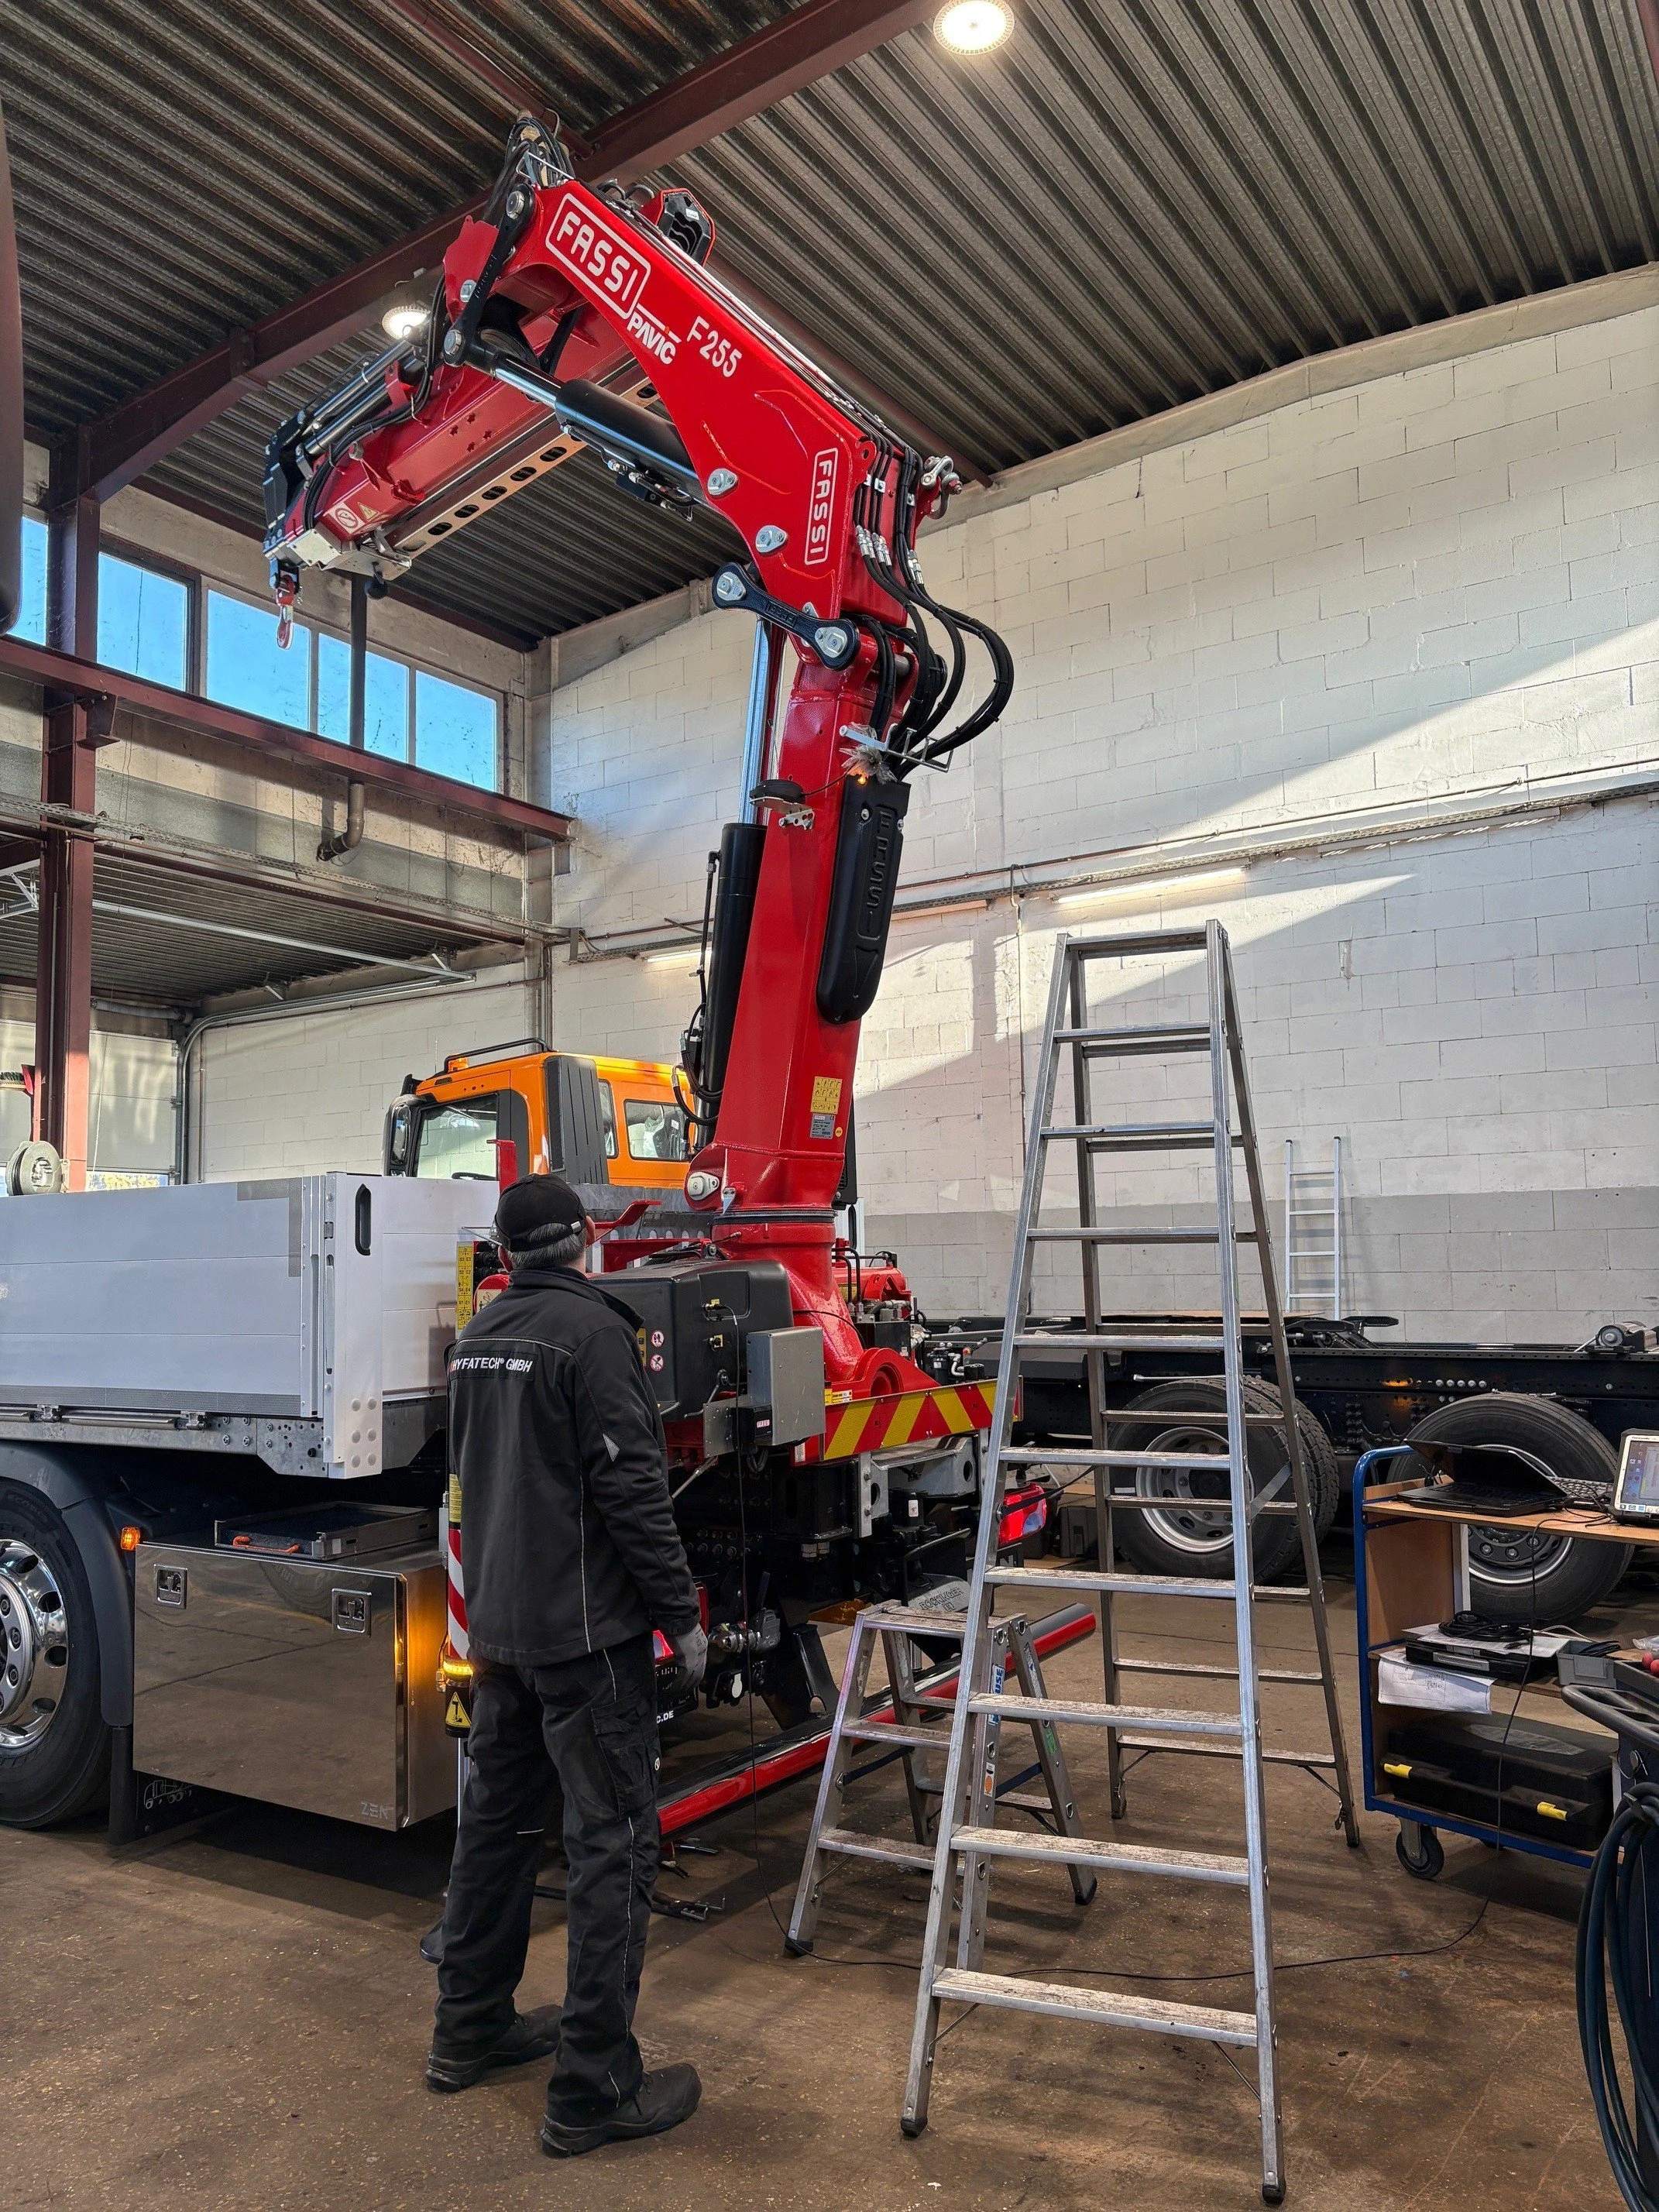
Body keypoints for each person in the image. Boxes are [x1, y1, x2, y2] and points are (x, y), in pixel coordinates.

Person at [425, 1173, 708, 2158]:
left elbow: (468, 1486)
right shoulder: (594, 1337)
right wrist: (684, 1619)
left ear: (506, 1253)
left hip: (501, 1634)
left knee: (497, 1833)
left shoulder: (477, 1342)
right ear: (586, 1239)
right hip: (588, 1645)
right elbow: (634, 1494)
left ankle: (467, 2031)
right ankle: (591, 2089)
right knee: (613, 1845)